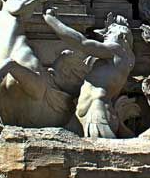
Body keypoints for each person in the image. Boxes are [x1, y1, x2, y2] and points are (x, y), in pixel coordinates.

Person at [42, 10, 135, 138]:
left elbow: (83, 43)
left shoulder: (117, 50)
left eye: (109, 33)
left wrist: (52, 21)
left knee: (100, 154)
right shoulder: (122, 60)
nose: (105, 37)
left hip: (96, 112)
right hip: (87, 110)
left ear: (122, 37)